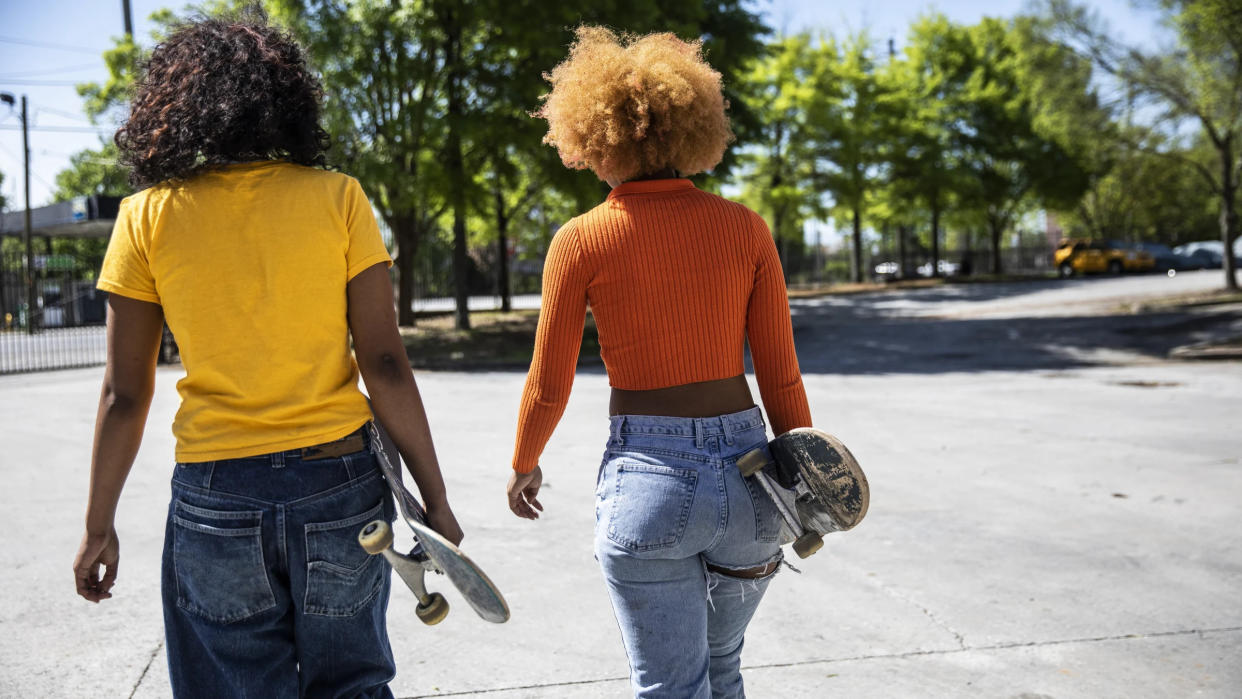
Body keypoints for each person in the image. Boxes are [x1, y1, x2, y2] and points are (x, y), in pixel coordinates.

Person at [71, 12, 462, 698]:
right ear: (286, 102)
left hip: (217, 494)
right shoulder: (338, 197)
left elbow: (124, 395)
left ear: (175, 103)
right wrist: (435, 499)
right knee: (353, 685)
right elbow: (387, 362)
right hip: (342, 489)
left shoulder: (146, 215)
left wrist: (98, 524)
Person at [505, 27, 814, 698]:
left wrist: (524, 462)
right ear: (691, 129)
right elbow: (781, 376)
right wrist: (806, 474)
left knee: (670, 685)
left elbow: (549, 383)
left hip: (649, 485)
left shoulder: (581, 240)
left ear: (593, 134)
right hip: (752, 485)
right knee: (723, 666)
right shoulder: (746, 228)